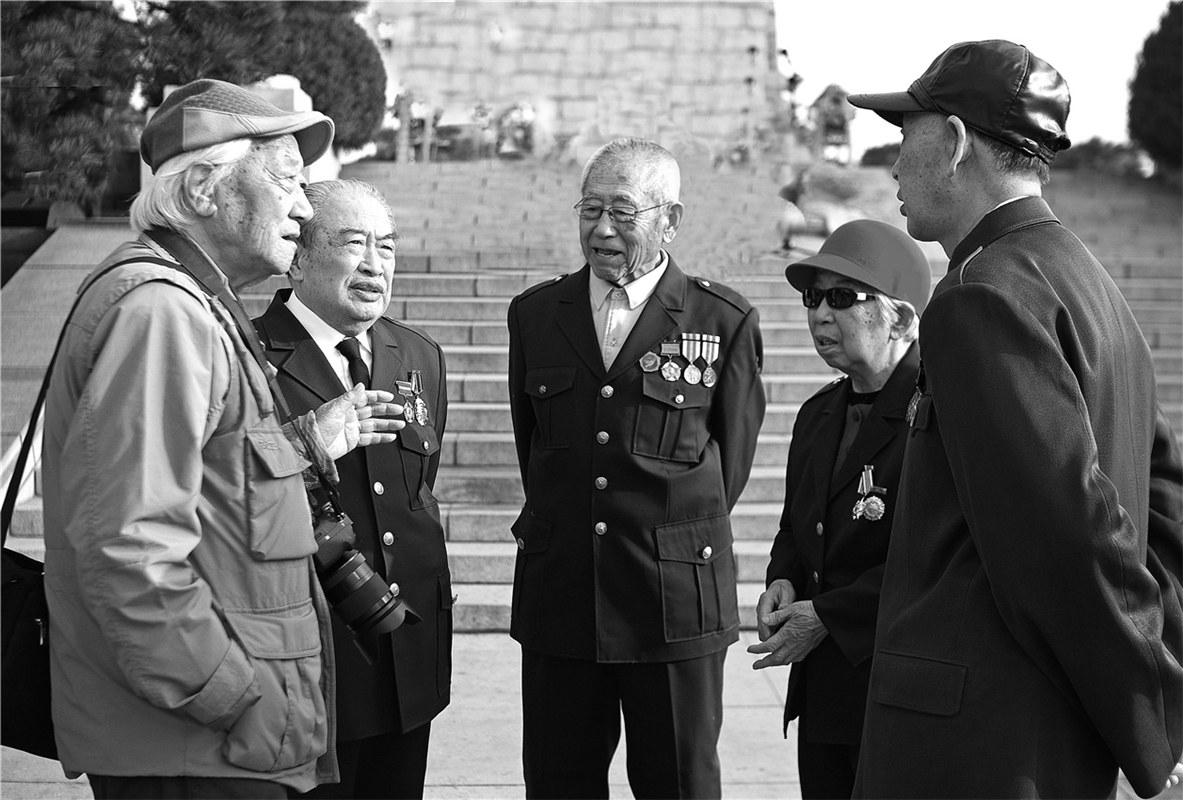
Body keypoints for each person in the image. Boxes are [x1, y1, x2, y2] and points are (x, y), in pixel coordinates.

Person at [40, 79, 404, 799]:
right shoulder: (161, 314)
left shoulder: (194, 305)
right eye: (288, 182)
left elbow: (217, 491)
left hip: (207, 745)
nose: (304, 208)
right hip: (196, 745)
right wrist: (237, 699)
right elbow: (132, 554)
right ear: (205, 189)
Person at [843, 40, 1183, 797]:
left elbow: (1065, 536)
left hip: (979, 749)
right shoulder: (1086, 280)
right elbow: (1162, 503)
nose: (894, 163)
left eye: (906, 134)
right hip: (1045, 737)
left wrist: (1151, 725)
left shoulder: (980, 296)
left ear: (957, 142)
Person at [506, 137, 766, 799]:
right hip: (562, 591)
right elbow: (533, 443)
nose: (600, 230)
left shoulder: (721, 319)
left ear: (669, 220)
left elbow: (726, 467)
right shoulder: (536, 314)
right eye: (589, 210)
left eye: (622, 213)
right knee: (558, 780)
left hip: (671, 599)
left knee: (677, 782)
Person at [254, 179, 452, 799]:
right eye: (353, 244)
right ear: (299, 255)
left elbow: (420, 494)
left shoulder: (418, 353)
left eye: (387, 246)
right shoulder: (251, 354)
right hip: (315, 659)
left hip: (408, 649)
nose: (374, 264)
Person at [748, 219, 931, 799]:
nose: (819, 314)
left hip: (900, 689)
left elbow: (941, 555)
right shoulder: (818, 413)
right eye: (812, 297)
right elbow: (798, 525)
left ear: (900, 317)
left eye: (843, 297)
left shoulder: (941, 414)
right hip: (824, 694)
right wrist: (783, 576)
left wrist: (830, 615)